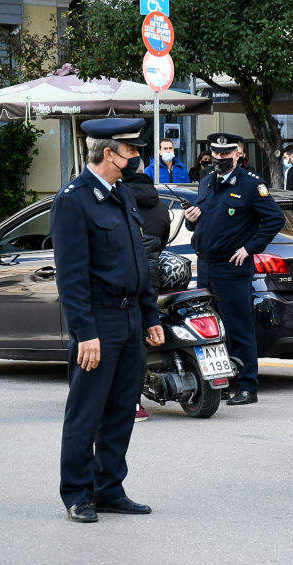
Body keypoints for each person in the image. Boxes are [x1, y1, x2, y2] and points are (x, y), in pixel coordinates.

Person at [50, 118, 165, 523]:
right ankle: (78, 494)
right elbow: (72, 275)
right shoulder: (73, 200)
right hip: (98, 320)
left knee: (121, 410)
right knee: (87, 411)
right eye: (131, 151)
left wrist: (150, 314)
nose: (137, 157)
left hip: (131, 318)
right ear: (107, 153)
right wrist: (85, 333)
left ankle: (108, 488)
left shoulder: (122, 195)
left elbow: (137, 261)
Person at [183, 133, 285, 406]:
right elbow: (203, 221)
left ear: (237, 154)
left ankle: (247, 386)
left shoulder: (251, 185)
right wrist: (191, 220)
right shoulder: (206, 182)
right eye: (215, 153)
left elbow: (275, 218)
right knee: (210, 328)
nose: (219, 158)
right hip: (205, 266)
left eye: (225, 154)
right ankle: (220, 383)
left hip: (232, 267)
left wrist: (250, 248)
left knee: (238, 328)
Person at [121, 158, 171, 422]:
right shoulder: (161, 207)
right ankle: (134, 402)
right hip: (150, 277)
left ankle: (120, 401)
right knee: (139, 340)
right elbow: (161, 243)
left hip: (120, 276)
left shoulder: (117, 201)